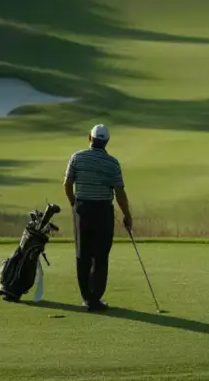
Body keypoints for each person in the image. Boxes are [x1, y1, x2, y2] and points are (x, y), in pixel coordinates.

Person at [63, 123, 132, 312]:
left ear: (89, 138)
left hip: (82, 210)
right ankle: (95, 298)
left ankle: (87, 298)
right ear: (107, 142)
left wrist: (73, 204)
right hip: (103, 213)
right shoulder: (112, 163)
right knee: (101, 256)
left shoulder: (77, 157)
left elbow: (67, 184)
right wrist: (127, 215)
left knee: (82, 254)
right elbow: (119, 193)